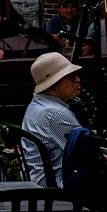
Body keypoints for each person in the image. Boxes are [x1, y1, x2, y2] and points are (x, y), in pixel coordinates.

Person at [21, 52, 85, 187]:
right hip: (57, 186)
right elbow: (89, 154)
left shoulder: (36, 105)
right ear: (54, 85)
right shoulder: (56, 113)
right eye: (71, 77)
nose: (78, 80)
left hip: (41, 180)